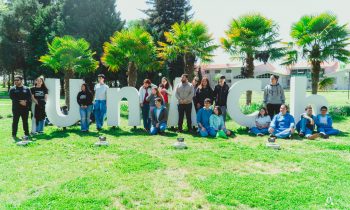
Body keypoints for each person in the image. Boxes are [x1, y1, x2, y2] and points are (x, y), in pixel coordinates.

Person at [9, 75, 32, 140]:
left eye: (17, 80)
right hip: (16, 108)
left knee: (25, 121)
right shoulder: (12, 89)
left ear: (21, 81)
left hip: (25, 108)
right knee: (15, 121)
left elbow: (29, 97)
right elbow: (12, 97)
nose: (15, 81)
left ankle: (27, 133)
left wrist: (25, 102)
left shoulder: (27, 88)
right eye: (15, 80)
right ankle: (14, 134)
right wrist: (20, 102)